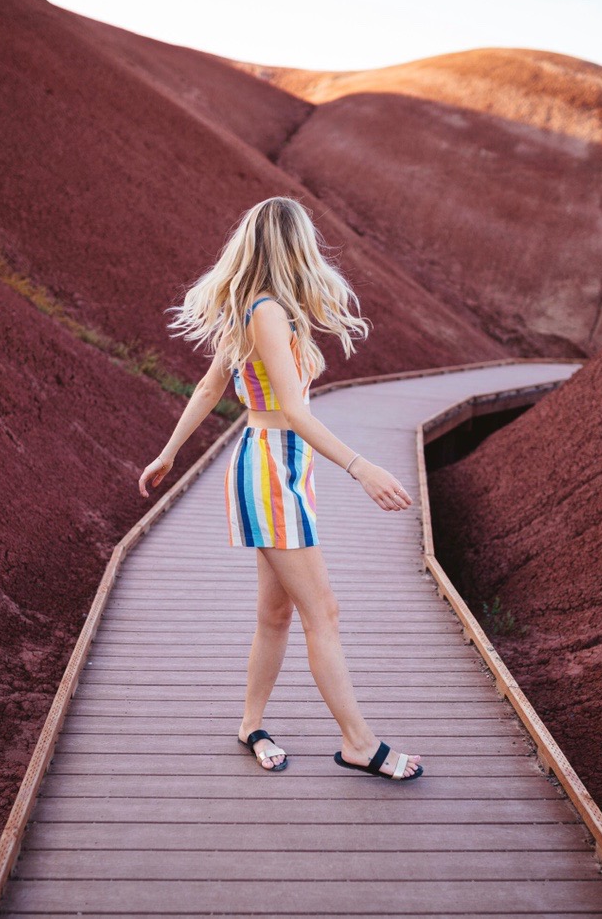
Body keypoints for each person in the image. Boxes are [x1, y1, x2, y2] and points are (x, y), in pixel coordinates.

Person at [138, 196, 423, 782]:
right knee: (324, 611)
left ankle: (250, 724)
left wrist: (169, 453)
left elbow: (208, 387)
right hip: (270, 469)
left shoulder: (259, 308)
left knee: (277, 613)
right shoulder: (266, 312)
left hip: (280, 466)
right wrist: (361, 467)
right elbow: (290, 410)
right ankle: (358, 743)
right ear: (295, 246)